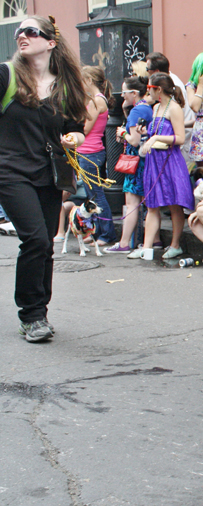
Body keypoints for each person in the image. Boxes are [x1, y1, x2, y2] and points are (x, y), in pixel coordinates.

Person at [0, 15, 87, 341]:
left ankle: (40, 312)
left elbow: (76, 128)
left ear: (51, 42)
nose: (21, 35)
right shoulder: (6, 75)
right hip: (10, 172)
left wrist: (74, 138)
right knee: (35, 238)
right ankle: (31, 316)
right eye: (19, 31)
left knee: (45, 244)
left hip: (50, 174)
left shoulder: (66, 86)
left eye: (30, 31)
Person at [126, 73, 193, 260]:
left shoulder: (174, 108)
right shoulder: (156, 108)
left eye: (150, 88)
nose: (148, 92)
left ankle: (175, 244)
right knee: (152, 205)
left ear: (159, 90)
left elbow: (180, 138)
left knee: (174, 204)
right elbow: (157, 132)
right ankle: (147, 247)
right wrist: (146, 133)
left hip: (170, 160)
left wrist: (155, 137)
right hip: (155, 160)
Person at [106, 75, 153, 253]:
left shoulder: (136, 111)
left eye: (124, 92)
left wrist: (122, 133)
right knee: (149, 204)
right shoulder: (147, 108)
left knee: (132, 202)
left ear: (134, 93)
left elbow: (134, 140)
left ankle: (124, 242)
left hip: (135, 161)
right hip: (145, 159)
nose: (122, 95)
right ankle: (154, 240)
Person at [74, 66, 116, 246]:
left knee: (96, 196)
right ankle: (98, 232)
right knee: (93, 195)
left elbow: (85, 129)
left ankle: (106, 234)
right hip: (90, 151)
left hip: (90, 152)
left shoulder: (96, 101)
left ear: (89, 80)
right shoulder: (98, 99)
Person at [146, 52, 195, 161]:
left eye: (149, 87)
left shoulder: (172, 103)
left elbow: (178, 134)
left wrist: (156, 138)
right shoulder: (157, 106)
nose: (147, 90)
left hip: (172, 152)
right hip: (158, 154)